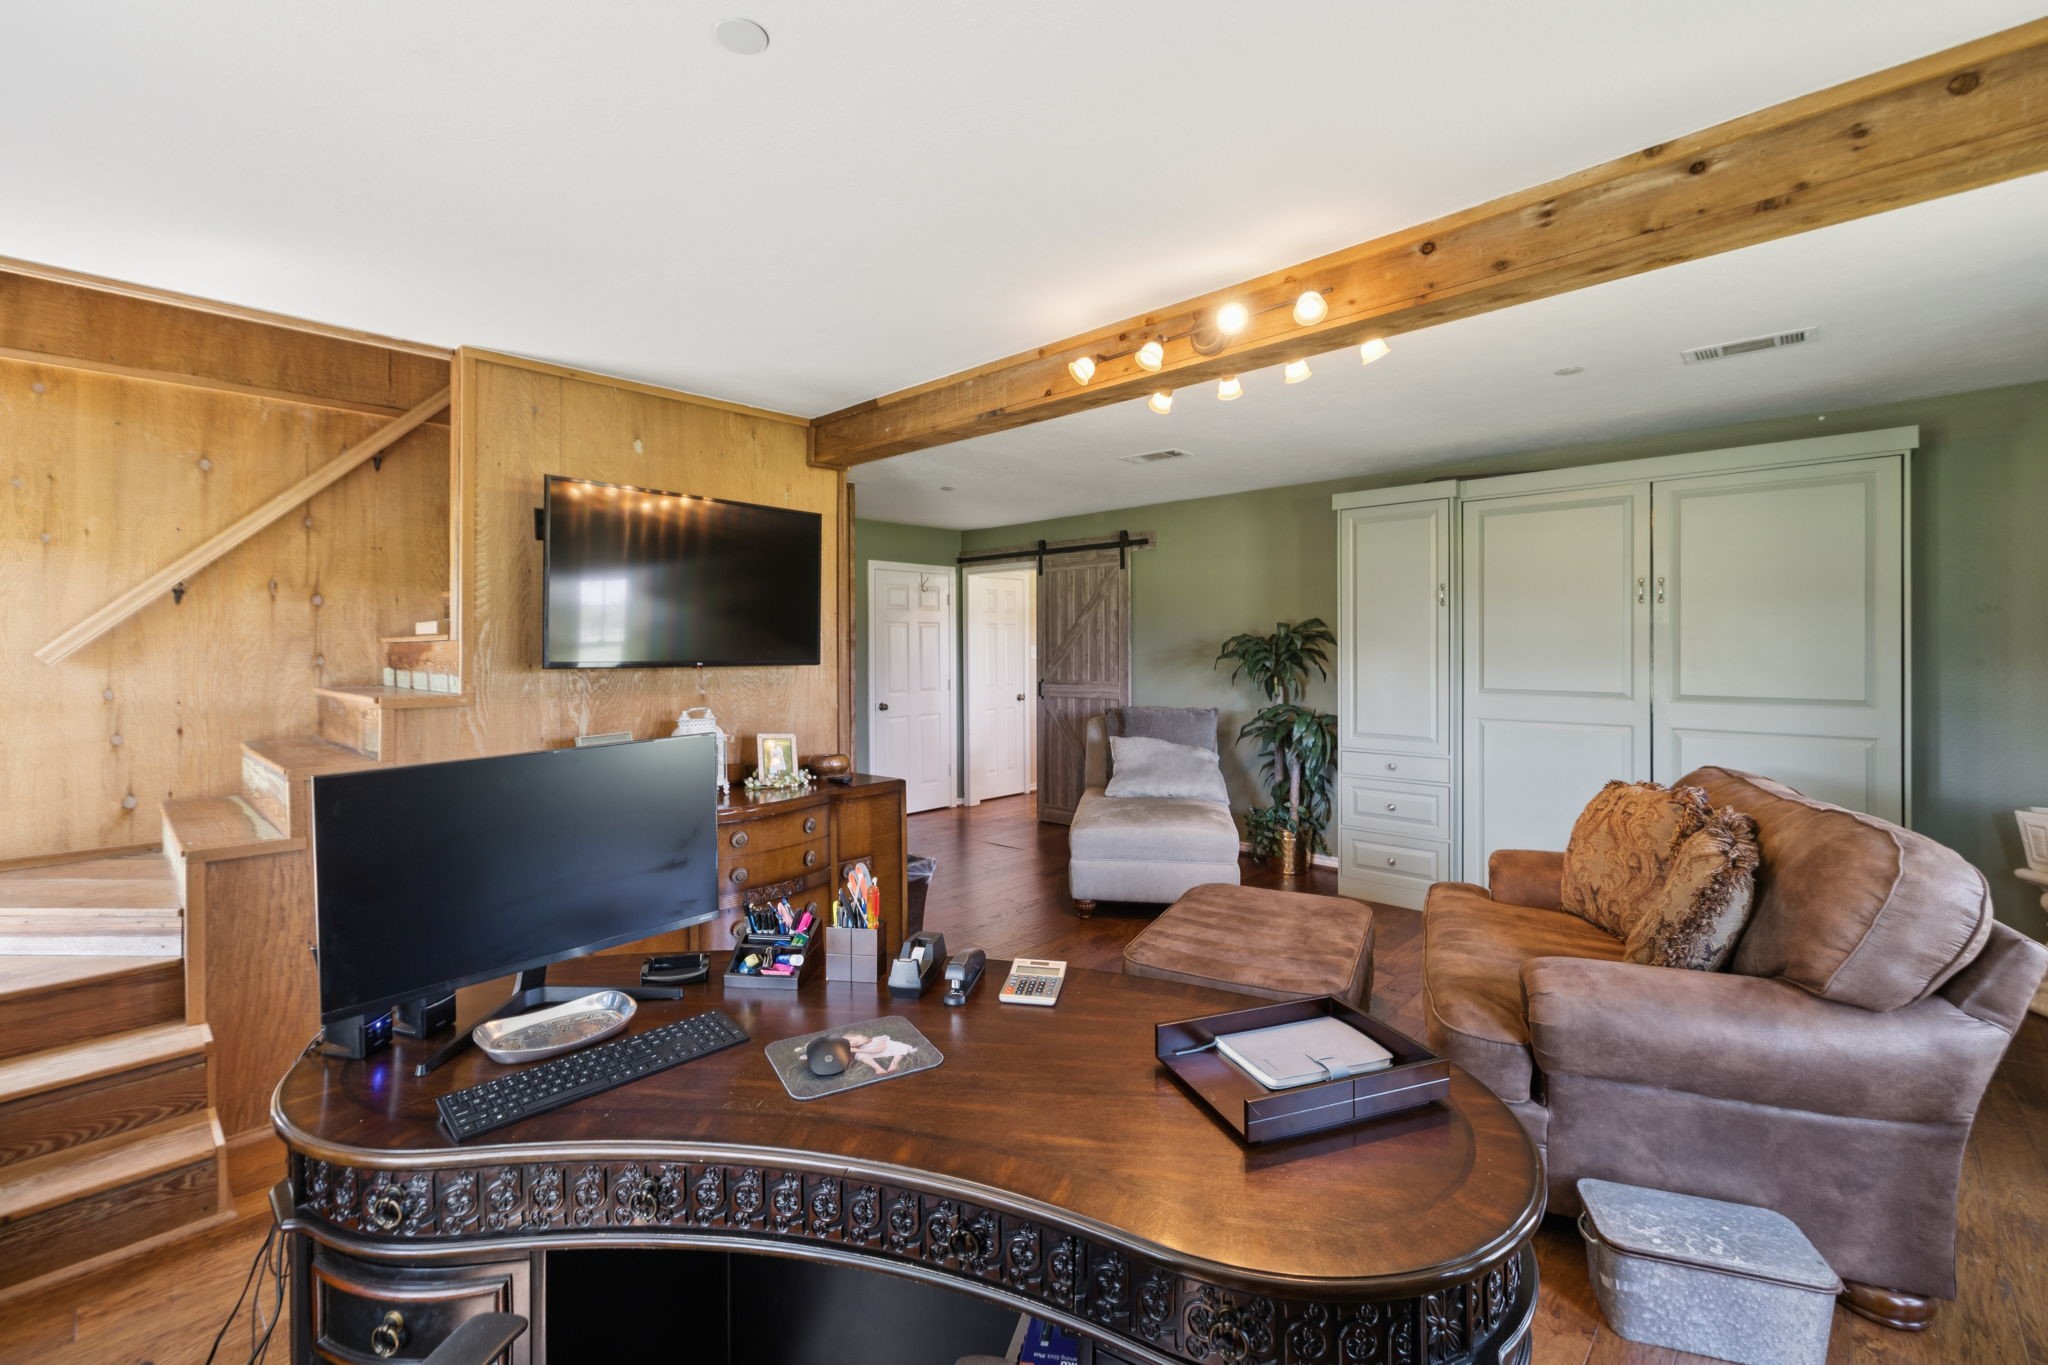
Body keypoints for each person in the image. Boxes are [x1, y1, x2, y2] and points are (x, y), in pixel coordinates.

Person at [841, 1031, 915, 1076]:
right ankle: (878, 1068)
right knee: (859, 1055)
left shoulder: (880, 1038)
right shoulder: (862, 1048)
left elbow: (879, 1049)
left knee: (899, 1049)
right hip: (874, 1054)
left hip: (890, 1048)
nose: (853, 1043)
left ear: (858, 1036)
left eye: (851, 1040)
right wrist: (856, 1051)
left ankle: (894, 1064)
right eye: (851, 1044)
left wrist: (858, 1050)